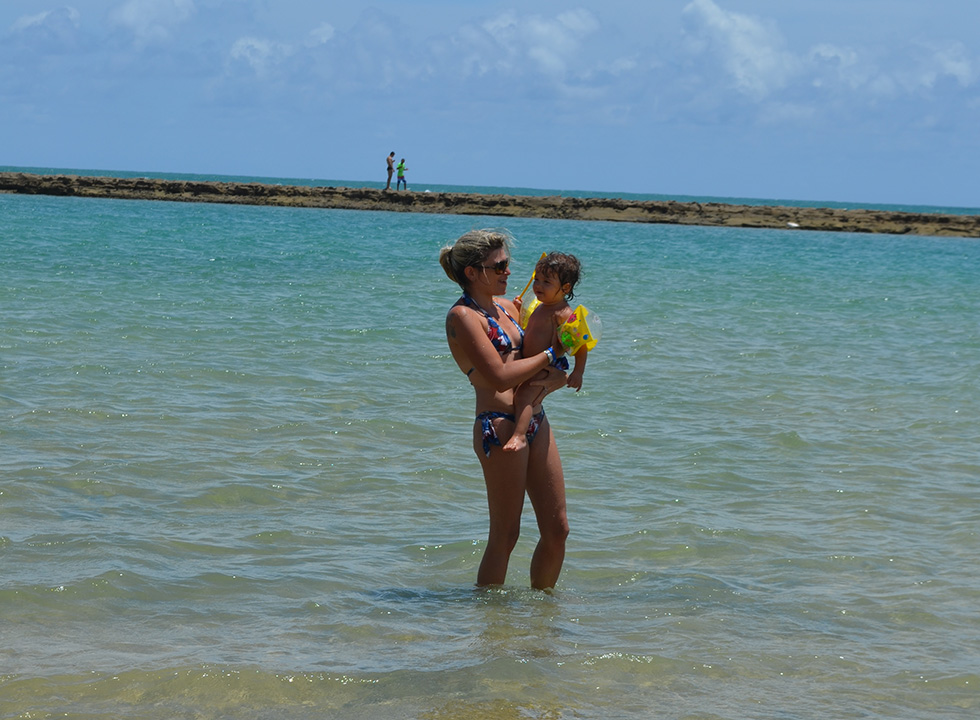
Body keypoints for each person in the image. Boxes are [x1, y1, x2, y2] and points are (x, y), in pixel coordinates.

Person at [440, 229, 570, 590]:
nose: (508, 272)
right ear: (472, 272)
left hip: (534, 417)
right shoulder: (463, 318)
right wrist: (551, 356)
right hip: (497, 425)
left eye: (508, 264)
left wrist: (561, 363)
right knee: (506, 535)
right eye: (499, 266)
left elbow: (540, 354)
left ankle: (541, 622)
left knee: (558, 528)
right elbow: (498, 376)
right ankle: (492, 630)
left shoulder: (511, 307)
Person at [503, 253, 588, 453]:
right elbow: (528, 329)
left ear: (565, 288)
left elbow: (580, 345)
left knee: (524, 396)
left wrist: (578, 372)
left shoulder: (563, 314)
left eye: (547, 282)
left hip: (547, 367)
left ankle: (519, 436)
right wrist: (518, 309)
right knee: (520, 395)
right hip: (532, 363)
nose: (538, 286)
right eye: (537, 280)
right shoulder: (542, 307)